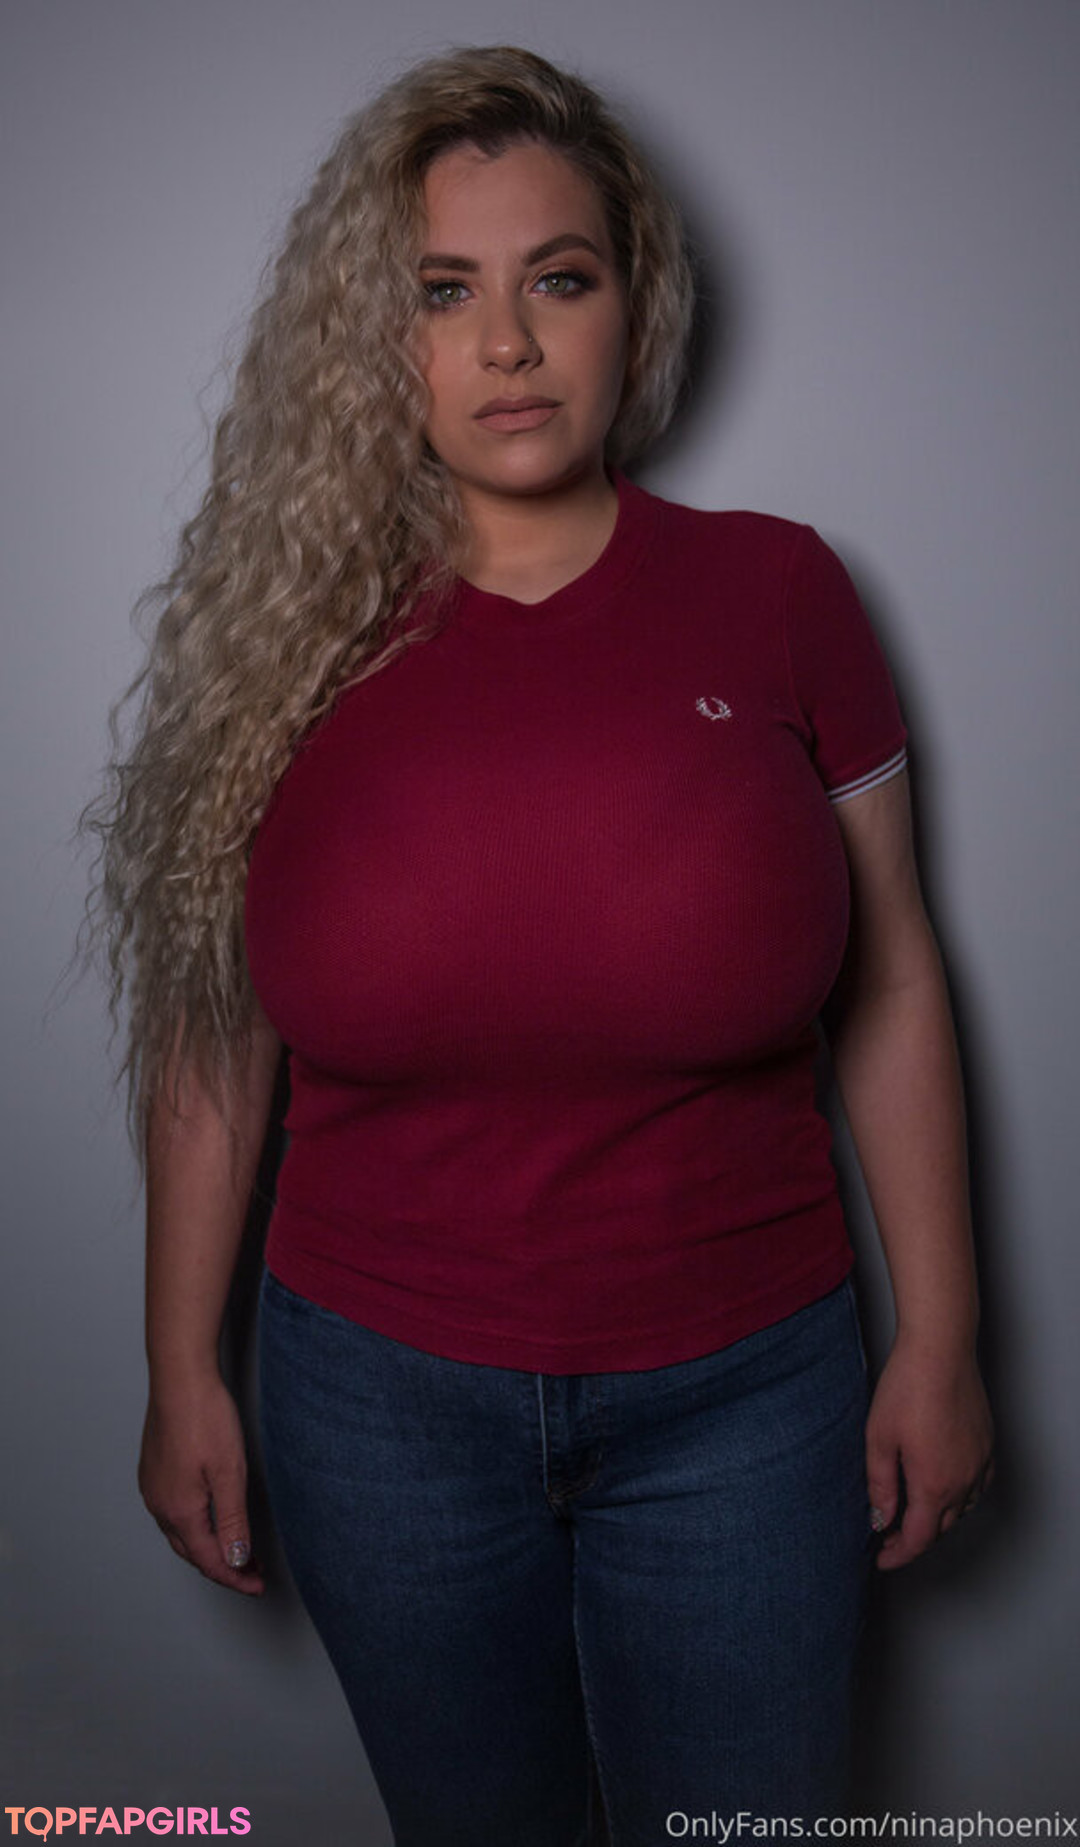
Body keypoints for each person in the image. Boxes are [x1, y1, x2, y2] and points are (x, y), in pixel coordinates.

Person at [88, 43, 994, 1847]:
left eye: (556, 279)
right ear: (377, 334)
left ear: (629, 305)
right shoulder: (283, 639)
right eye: (444, 291)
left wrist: (946, 1338)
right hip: (378, 1408)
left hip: (748, 1396)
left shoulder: (781, 590)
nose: (507, 343)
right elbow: (214, 1030)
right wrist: (181, 1368)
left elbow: (894, 980)